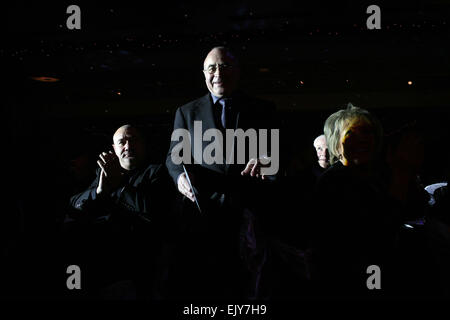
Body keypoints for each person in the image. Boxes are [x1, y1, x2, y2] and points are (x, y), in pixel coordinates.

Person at [165, 46, 278, 299]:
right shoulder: (186, 112)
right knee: (207, 287)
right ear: (204, 73)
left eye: (225, 66)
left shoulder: (263, 110)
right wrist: (179, 177)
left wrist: (268, 160)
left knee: (251, 287)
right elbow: (174, 159)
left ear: (238, 72)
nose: (218, 73)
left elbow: (282, 155)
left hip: (251, 215)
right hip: (204, 216)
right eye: (212, 68)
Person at [308, 104, 420, 297]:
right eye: (352, 133)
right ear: (336, 143)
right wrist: (402, 174)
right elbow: (376, 234)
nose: (363, 139)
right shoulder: (335, 182)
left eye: (367, 132)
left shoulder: (374, 176)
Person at [67, 124, 174, 299]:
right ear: (114, 149)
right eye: (122, 142)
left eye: (133, 140)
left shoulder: (158, 172)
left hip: (137, 264)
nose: (128, 146)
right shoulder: (103, 174)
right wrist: (99, 191)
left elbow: (154, 210)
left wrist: (120, 186)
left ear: (144, 145)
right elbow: (74, 204)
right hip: (102, 263)